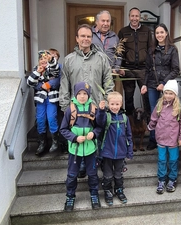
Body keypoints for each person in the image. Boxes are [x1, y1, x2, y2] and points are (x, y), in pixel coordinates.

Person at [60, 24, 115, 178]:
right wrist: (65, 107)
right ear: (77, 39)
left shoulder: (101, 58)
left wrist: (106, 101)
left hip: (97, 107)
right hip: (76, 110)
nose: (86, 39)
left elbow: (108, 82)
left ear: (92, 38)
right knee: (81, 136)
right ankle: (82, 165)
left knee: (97, 136)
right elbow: (64, 85)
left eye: (88, 36)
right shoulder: (69, 60)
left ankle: (98, 163)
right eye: (82, 36)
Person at [60, 82, 103, 211]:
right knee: (72, 175)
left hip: (90, 149)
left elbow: (99, 127)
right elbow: (63, 129)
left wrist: (93, 134)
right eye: (79, 93)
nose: (82, 96)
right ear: (75, 94)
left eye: (85, 93)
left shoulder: (93, 108)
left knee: (93, 173)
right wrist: (74, 138)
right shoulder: (70, 109)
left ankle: (94, 194)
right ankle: (70, 196)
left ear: (89, 95)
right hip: (75, 149)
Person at [141, 23, 180, 151]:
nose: (159, 35)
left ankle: (167, 138)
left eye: (161, 32)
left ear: (166, 33)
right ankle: (153, 139)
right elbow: (147, 69)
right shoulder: (151, 50)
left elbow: (175, 70)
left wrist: (164, 82)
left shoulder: (172, 49)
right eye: (157, 33)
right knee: (154, 111)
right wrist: (144, 84)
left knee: (168, 112)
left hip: (167, 86)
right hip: (152, 84)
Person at [118, 7, 152, 129]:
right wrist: (120, 67)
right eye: (132, 16)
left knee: (146, 97)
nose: (134, 18)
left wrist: (150, 68)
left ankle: (148, 125)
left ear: (140, 17)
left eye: (137, 16)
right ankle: (130, 126)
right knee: (128, 97)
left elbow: (150, 50)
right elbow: (119, 51)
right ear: (129, 17)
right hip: (128, 69)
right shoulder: (123, 31)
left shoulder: (147, 31)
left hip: (143, 70)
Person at [147, 80, 181, 194]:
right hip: (161, 138)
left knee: (173, 160)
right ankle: (161, 180)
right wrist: (150, 127)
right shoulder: (159, 105)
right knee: (162, 160)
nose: (168, 95)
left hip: (173, 139)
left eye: (171, 93)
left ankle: (172, 179)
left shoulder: (179, 108)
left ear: (175, 95)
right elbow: (154, 118)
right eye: (166, 93)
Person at [97, 91, 133, 205]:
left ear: (121, 104)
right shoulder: (106, 116)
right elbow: (99, 122)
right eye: (112, 104)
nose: (114, 107)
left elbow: (129, 135)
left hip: (121, 152)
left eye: (117, 104)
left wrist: (130, 151)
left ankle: (119, 189)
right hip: (107, 152)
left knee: (118, 173)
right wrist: (101, 111)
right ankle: (108, 191)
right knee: (107, 174)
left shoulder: (124, 118)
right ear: (108, 104)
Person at [27, 50, 60, 156]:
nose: (43, 61)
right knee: (40, 120)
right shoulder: (36, 70)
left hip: (51, 99)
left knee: (51, 118)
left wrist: (51, 61)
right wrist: (37, 72)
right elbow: (30, 82)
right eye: (41, 59)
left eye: (45, 59)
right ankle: (42, 142)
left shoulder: (52, 69)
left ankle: (55, 141)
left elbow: (56, 71)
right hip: (40, 100)